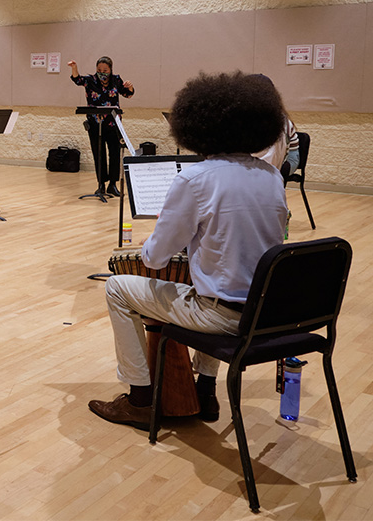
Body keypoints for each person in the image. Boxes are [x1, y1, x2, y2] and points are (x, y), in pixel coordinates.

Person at [88, 71, 288, 431]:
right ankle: (207, 389)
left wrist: (172, 233)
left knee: (117, 288)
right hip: (266, 311)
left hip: (221, 318)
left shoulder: (196, 179)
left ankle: (139, 400)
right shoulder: (272, 176)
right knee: (216, 275)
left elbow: (154, 259)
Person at [68, 56, 134, 196]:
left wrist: (130, 87)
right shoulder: (90, 80)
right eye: (99, 69)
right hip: (95, 124)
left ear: (110, 69)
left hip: (113, 124)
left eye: (105, 70)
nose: (102, 72)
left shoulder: (116, 80)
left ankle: (112, 184)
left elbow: (127, 94)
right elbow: (77, 80)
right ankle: (101, 184)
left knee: (115, 153)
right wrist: (74, 68)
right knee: (99, 154)